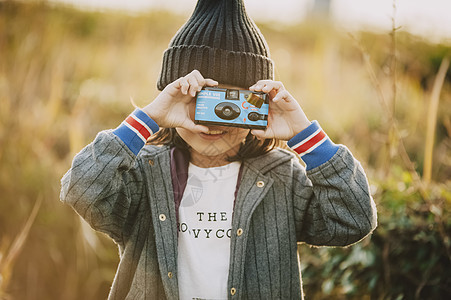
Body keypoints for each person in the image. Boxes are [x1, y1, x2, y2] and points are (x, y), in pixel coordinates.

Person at [60, 0, 377, 299]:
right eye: (200, 101)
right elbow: (83, 189)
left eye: (232, 104)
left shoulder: (283, 177)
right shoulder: (142, 174)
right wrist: (148, 119)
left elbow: (353, 218)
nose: (214, 122)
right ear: (173, 97)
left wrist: (304, 135)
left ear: (259, 104)